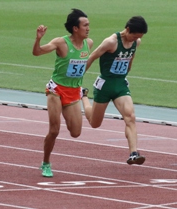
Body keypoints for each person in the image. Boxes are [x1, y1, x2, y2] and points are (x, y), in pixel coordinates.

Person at [32, 8, 93, 177]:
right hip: (56, 90)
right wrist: (38, 40)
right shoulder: (61, 43)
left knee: (75, 132)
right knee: (54, 130)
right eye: (85, 25)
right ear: (75, 28)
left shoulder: (89, 44)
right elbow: (37, 52)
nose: (88, 28)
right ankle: (45, 163)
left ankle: (83, 95)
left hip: (73, 91)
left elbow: (83, 64)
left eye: (88, 25)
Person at [81, 16, 148, 165]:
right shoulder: (111, 42)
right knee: (94, 123)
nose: (135, 40)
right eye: (134, 36)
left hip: (120, 85)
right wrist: (78, 78)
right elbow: (92, 57)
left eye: (138, 38)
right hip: (105, 85)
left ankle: (133, 153)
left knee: (130, 116)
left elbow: (131, 57)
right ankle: (83, 96)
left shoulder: (136, 42)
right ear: (128, 29)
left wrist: (127, 70)